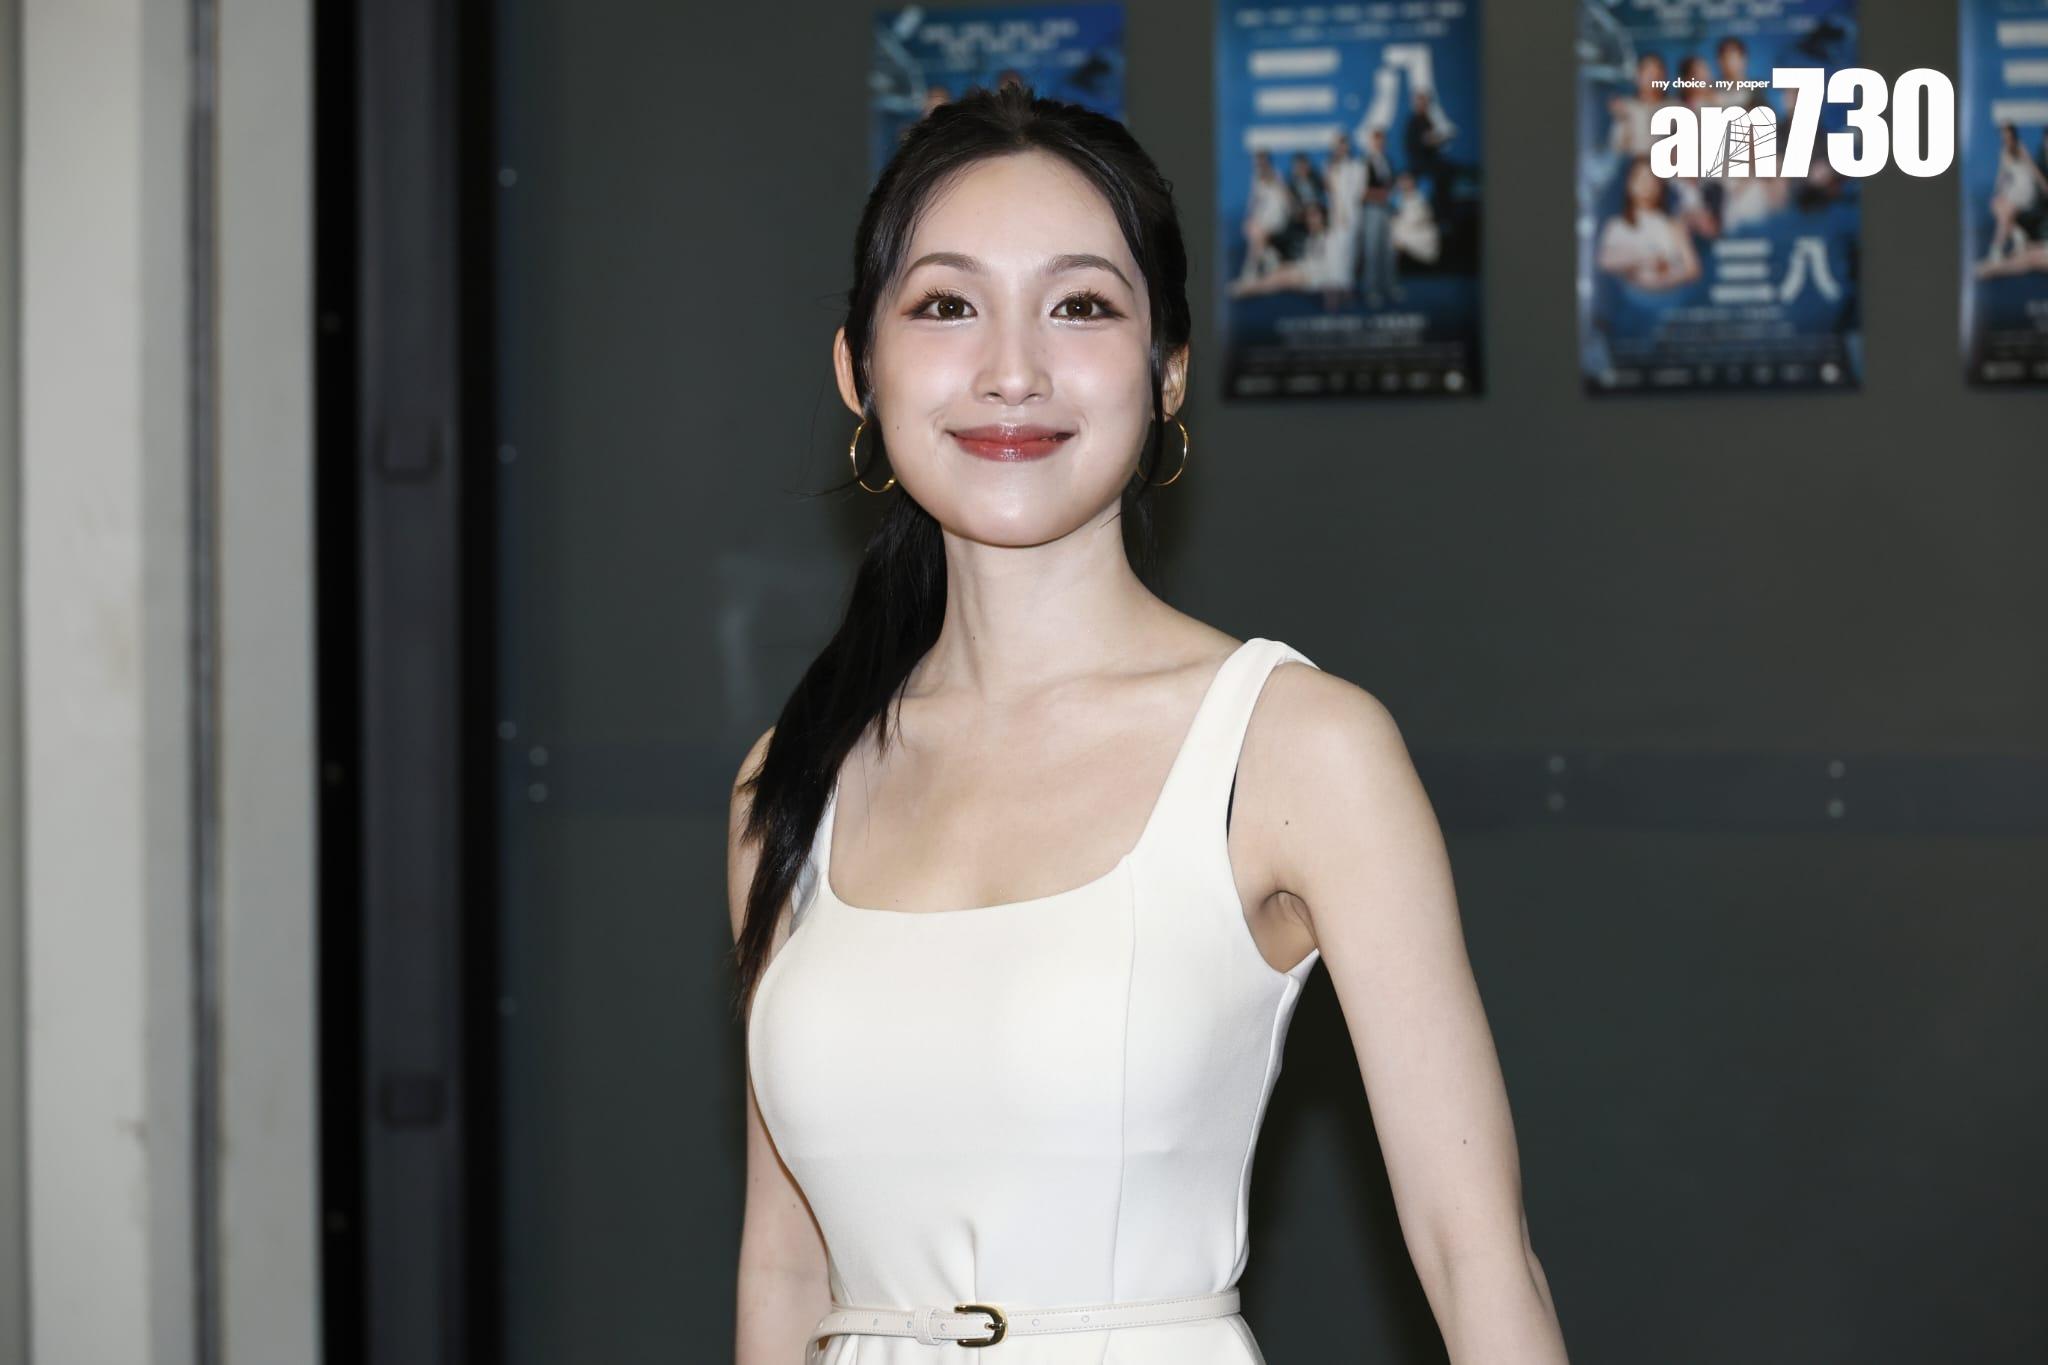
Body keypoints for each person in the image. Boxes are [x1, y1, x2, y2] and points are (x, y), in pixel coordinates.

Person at [729, 84, 1570, 1365]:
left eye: (1080, 306)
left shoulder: (1296, 750)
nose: (1011, 370)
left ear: (1167, 371)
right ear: (858, 370)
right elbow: (784, 1264)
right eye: (946, 305)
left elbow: (1475, 1258)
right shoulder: (790, 783)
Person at [1597, 154, 1700, 291]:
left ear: (1660, 185)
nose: (1646, 184)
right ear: (1629, 183)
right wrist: (1643, 258)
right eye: (1640, 178)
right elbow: (1605, 261)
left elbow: (1692, 269)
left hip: (1668, 297)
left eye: (1652, 179)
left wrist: (1663, 280)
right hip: (1628, 298)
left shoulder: (1673, 225)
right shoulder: (1617, 225)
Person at [1980, 121, 2048, 269]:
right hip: (2012, 190)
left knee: (2006, 211)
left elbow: (2033, 168)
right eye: (2003, 135)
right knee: (1996, 206)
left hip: (2025, 190)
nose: (2006, 137)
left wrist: (2043, 184)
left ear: (2012, 134)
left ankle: (1997, 249)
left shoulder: (2020, 147)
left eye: (2008, 134)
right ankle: (2016, 235)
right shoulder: (2003, 151)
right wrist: (1997, 192)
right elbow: (2002, 175)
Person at [1355, 126, 1401, 305]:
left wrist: (1392, 192)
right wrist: (1382, 195)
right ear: (1370, 142)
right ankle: (1371, 290)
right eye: (1376, 140)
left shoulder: (1387, 160)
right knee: (1372, 251)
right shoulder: (1363, 162)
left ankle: (1389, 286)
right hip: (1371, 210)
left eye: (1382, 139)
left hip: (1386, 209)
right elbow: (1360, 191)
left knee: (1388, 251)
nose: (1379, 143)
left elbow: (1390, 185)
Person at [1608, 51, 1669, 156]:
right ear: (1638, 76)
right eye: (1648, 72)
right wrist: (1623, 119)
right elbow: (1617, 149)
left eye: (1657, 73)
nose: (1653, 78)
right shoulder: (1624, 107)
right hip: (1632, 164)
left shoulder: (1675, 106)